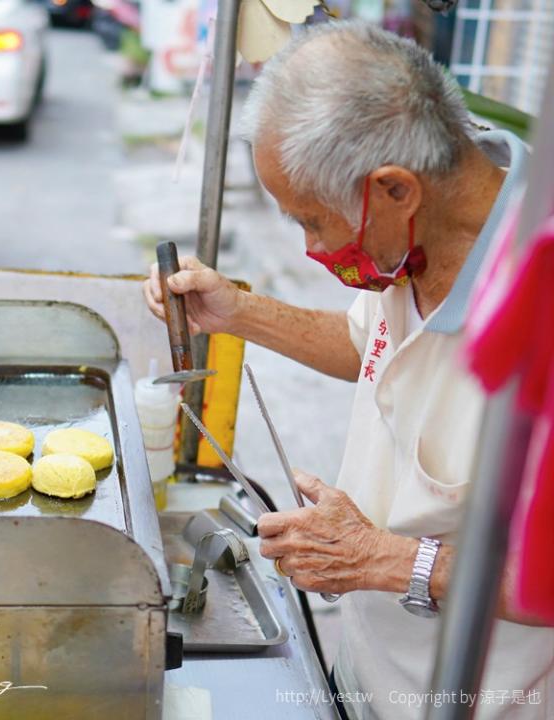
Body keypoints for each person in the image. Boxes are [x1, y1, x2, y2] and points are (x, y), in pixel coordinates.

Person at [143, 21, 554, 720]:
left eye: (312, 220)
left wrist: (383, 560)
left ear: (394, 189)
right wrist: (236, 310)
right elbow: (365, 347)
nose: (310, 247)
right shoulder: (412, 249)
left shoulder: (534, 302)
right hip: (366, 675)